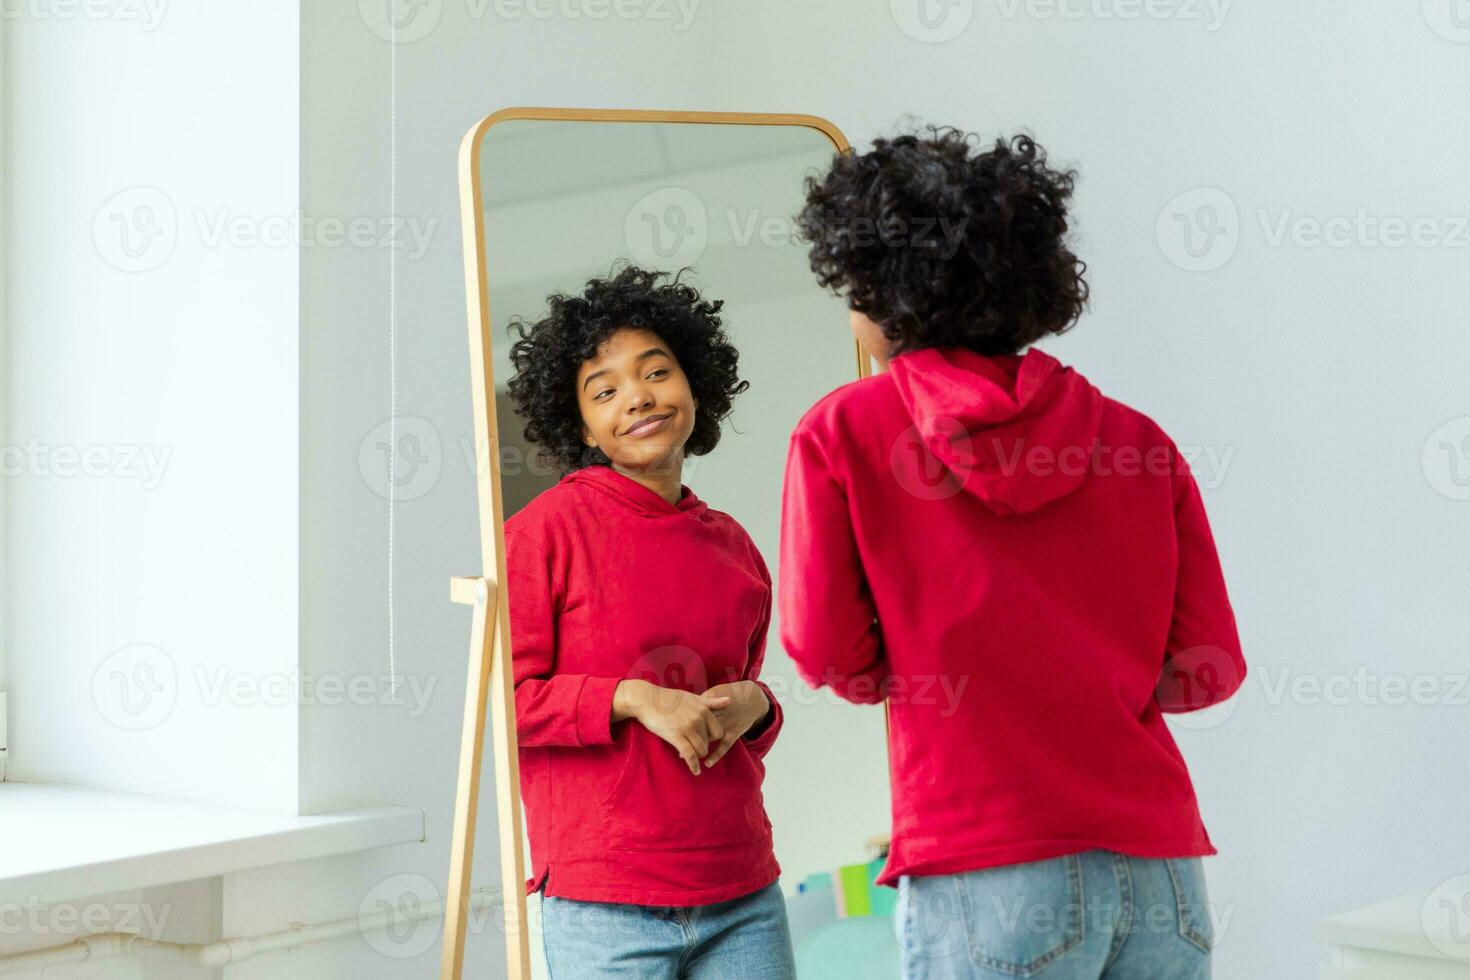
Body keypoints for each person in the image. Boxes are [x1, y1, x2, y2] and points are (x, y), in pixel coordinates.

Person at [778, 127, 1246, 979]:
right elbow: (1208, 670)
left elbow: (828, 655)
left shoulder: (843, 432)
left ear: (888, 292)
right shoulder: (1138, 441)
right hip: (1161, 870)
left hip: (983, 862)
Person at [503, 265, 796, 978]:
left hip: (744, 891)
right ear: (582, 426)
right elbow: (501, 706)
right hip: (605, 901)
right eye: (605, 391)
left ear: (694, 384)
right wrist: (630, 697)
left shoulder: (732, 544)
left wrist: (758, 707)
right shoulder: (544, 532)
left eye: (656, 372)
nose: (637, 397)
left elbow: (732, 710)